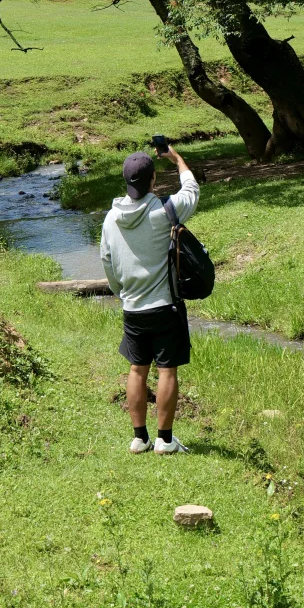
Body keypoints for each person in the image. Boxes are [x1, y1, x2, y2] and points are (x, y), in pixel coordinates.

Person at [100, 143, 200, 455]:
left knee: (137, 369)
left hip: (132, 309)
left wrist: (122, 293)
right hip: (165, 306)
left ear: (126, 182)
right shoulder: (164, 212)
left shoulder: (110, 220)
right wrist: (178, 159)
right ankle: (165, 441)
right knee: (167, 371)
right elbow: (192, 190)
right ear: (153, 180)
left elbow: (107, 262)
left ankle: (139, 438)